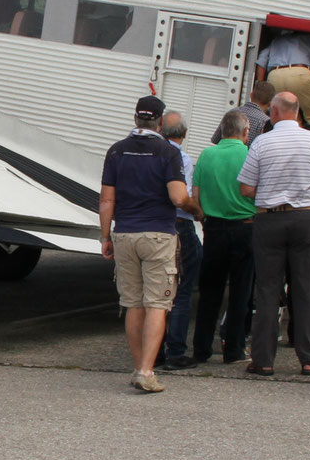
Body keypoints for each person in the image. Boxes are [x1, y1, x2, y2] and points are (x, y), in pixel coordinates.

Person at [100, 94, 198, 393]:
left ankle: (138, 365)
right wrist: (197, 210)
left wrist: (105, 236)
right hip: (158, 233)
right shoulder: (167, 152)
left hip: (125, 232)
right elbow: (178, 197)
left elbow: (106, 199)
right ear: (159, 122)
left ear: (135, 119)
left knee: (132, 303)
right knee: (157, 302)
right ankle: (146, 370)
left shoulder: (116, 151)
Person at [237, 92, 310, 376]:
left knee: (268, 290)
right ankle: (309, 358)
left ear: (276, 112)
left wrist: (269, 193)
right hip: (307, 218)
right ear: (296, 112)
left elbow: (245, 188)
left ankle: (263, 360)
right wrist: (308, 194)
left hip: (269, 220)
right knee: (305, 289)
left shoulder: (261, 142)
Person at [191, 108, 255, 364]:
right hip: (246, 227)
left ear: (222, 130)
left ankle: (201, 348)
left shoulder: (207, 154)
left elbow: (195, 195)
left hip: (214, 228)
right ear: (246, 132)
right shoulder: (250, 155)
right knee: (241, 291)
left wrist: (203, 216)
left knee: (210, 291)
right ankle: (234, 349)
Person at [156, 110, 202, 370]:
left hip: (154, 224)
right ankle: (175, 352)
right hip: (179, 225)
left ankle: (154, 349)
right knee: (182, 291)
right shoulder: (181, 158)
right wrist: (198, 212)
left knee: (157, 292)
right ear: (184, 133)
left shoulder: (151, 154)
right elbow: (182, 197)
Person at [260, 31, 310, 128]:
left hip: (275, 75)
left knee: (287, 118)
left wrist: (260, 84)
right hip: (301, 73)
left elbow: (261, 60)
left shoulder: (276, 41)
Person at [239, 77, 273, 142]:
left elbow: (216, 140)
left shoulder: (233, 112)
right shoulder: (267, 122)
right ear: (270, 104)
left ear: (251, 95)